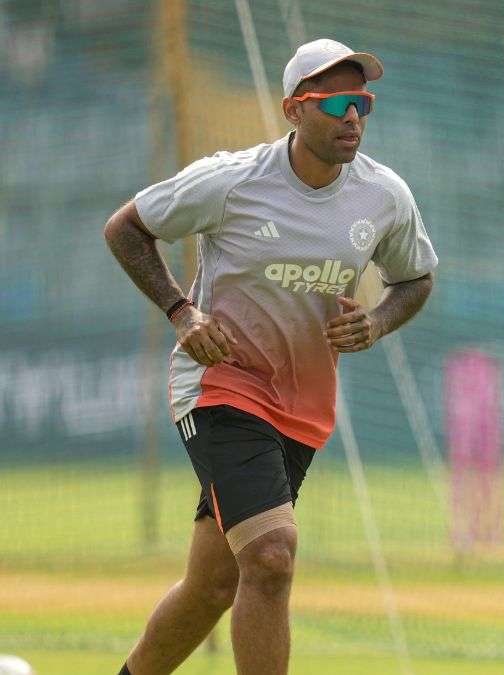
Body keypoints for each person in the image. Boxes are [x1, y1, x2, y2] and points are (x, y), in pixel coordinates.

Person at [103, 39, 437, 674]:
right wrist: (182, 312)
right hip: (219, 385)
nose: (353, 116)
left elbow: (415, 278)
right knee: (272, 555)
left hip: (302, 406)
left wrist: (376, 322)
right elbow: (126, 228)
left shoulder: (384, 195)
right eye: (336, 103)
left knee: (212, 587)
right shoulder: (230, 181)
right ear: (293, 109)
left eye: (362, 103)